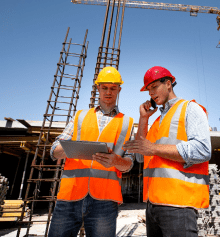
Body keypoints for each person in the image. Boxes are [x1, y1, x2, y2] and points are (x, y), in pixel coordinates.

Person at [123, 66, 211, 237]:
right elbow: (141, 156)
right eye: (148, 90)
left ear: (169, 83)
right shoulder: (156, 121)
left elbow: (203, 149)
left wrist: (154, 148)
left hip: (179, 205)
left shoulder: (190, 109)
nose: (151, 94)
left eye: (154, 87)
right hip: (152, 205)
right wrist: (143, 119)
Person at [48, 67, 134, 237]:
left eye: (113, 88)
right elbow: (54, 151)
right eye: (104, 88)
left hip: (105, 199)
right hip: (70, 194)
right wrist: (69, 148)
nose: (108, 92)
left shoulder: (127, 123)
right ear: (98, 88)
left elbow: (129, 164)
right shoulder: (79, 116)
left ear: (119, 90)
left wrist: (117, 161)